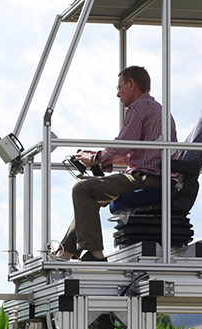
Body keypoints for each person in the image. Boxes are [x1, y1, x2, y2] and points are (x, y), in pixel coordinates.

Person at [57, 66, 177, 261]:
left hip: (148, 179)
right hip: (154, 175)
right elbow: (136, 153)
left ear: (132, 84)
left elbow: (121, 145)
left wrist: (95, 159)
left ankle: (95, 253)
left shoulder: (139, 107)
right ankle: (65, 253)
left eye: (119, 87)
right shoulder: (156, 109)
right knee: (90, 198)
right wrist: (96, 157)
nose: (117, 94)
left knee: (82, 189)